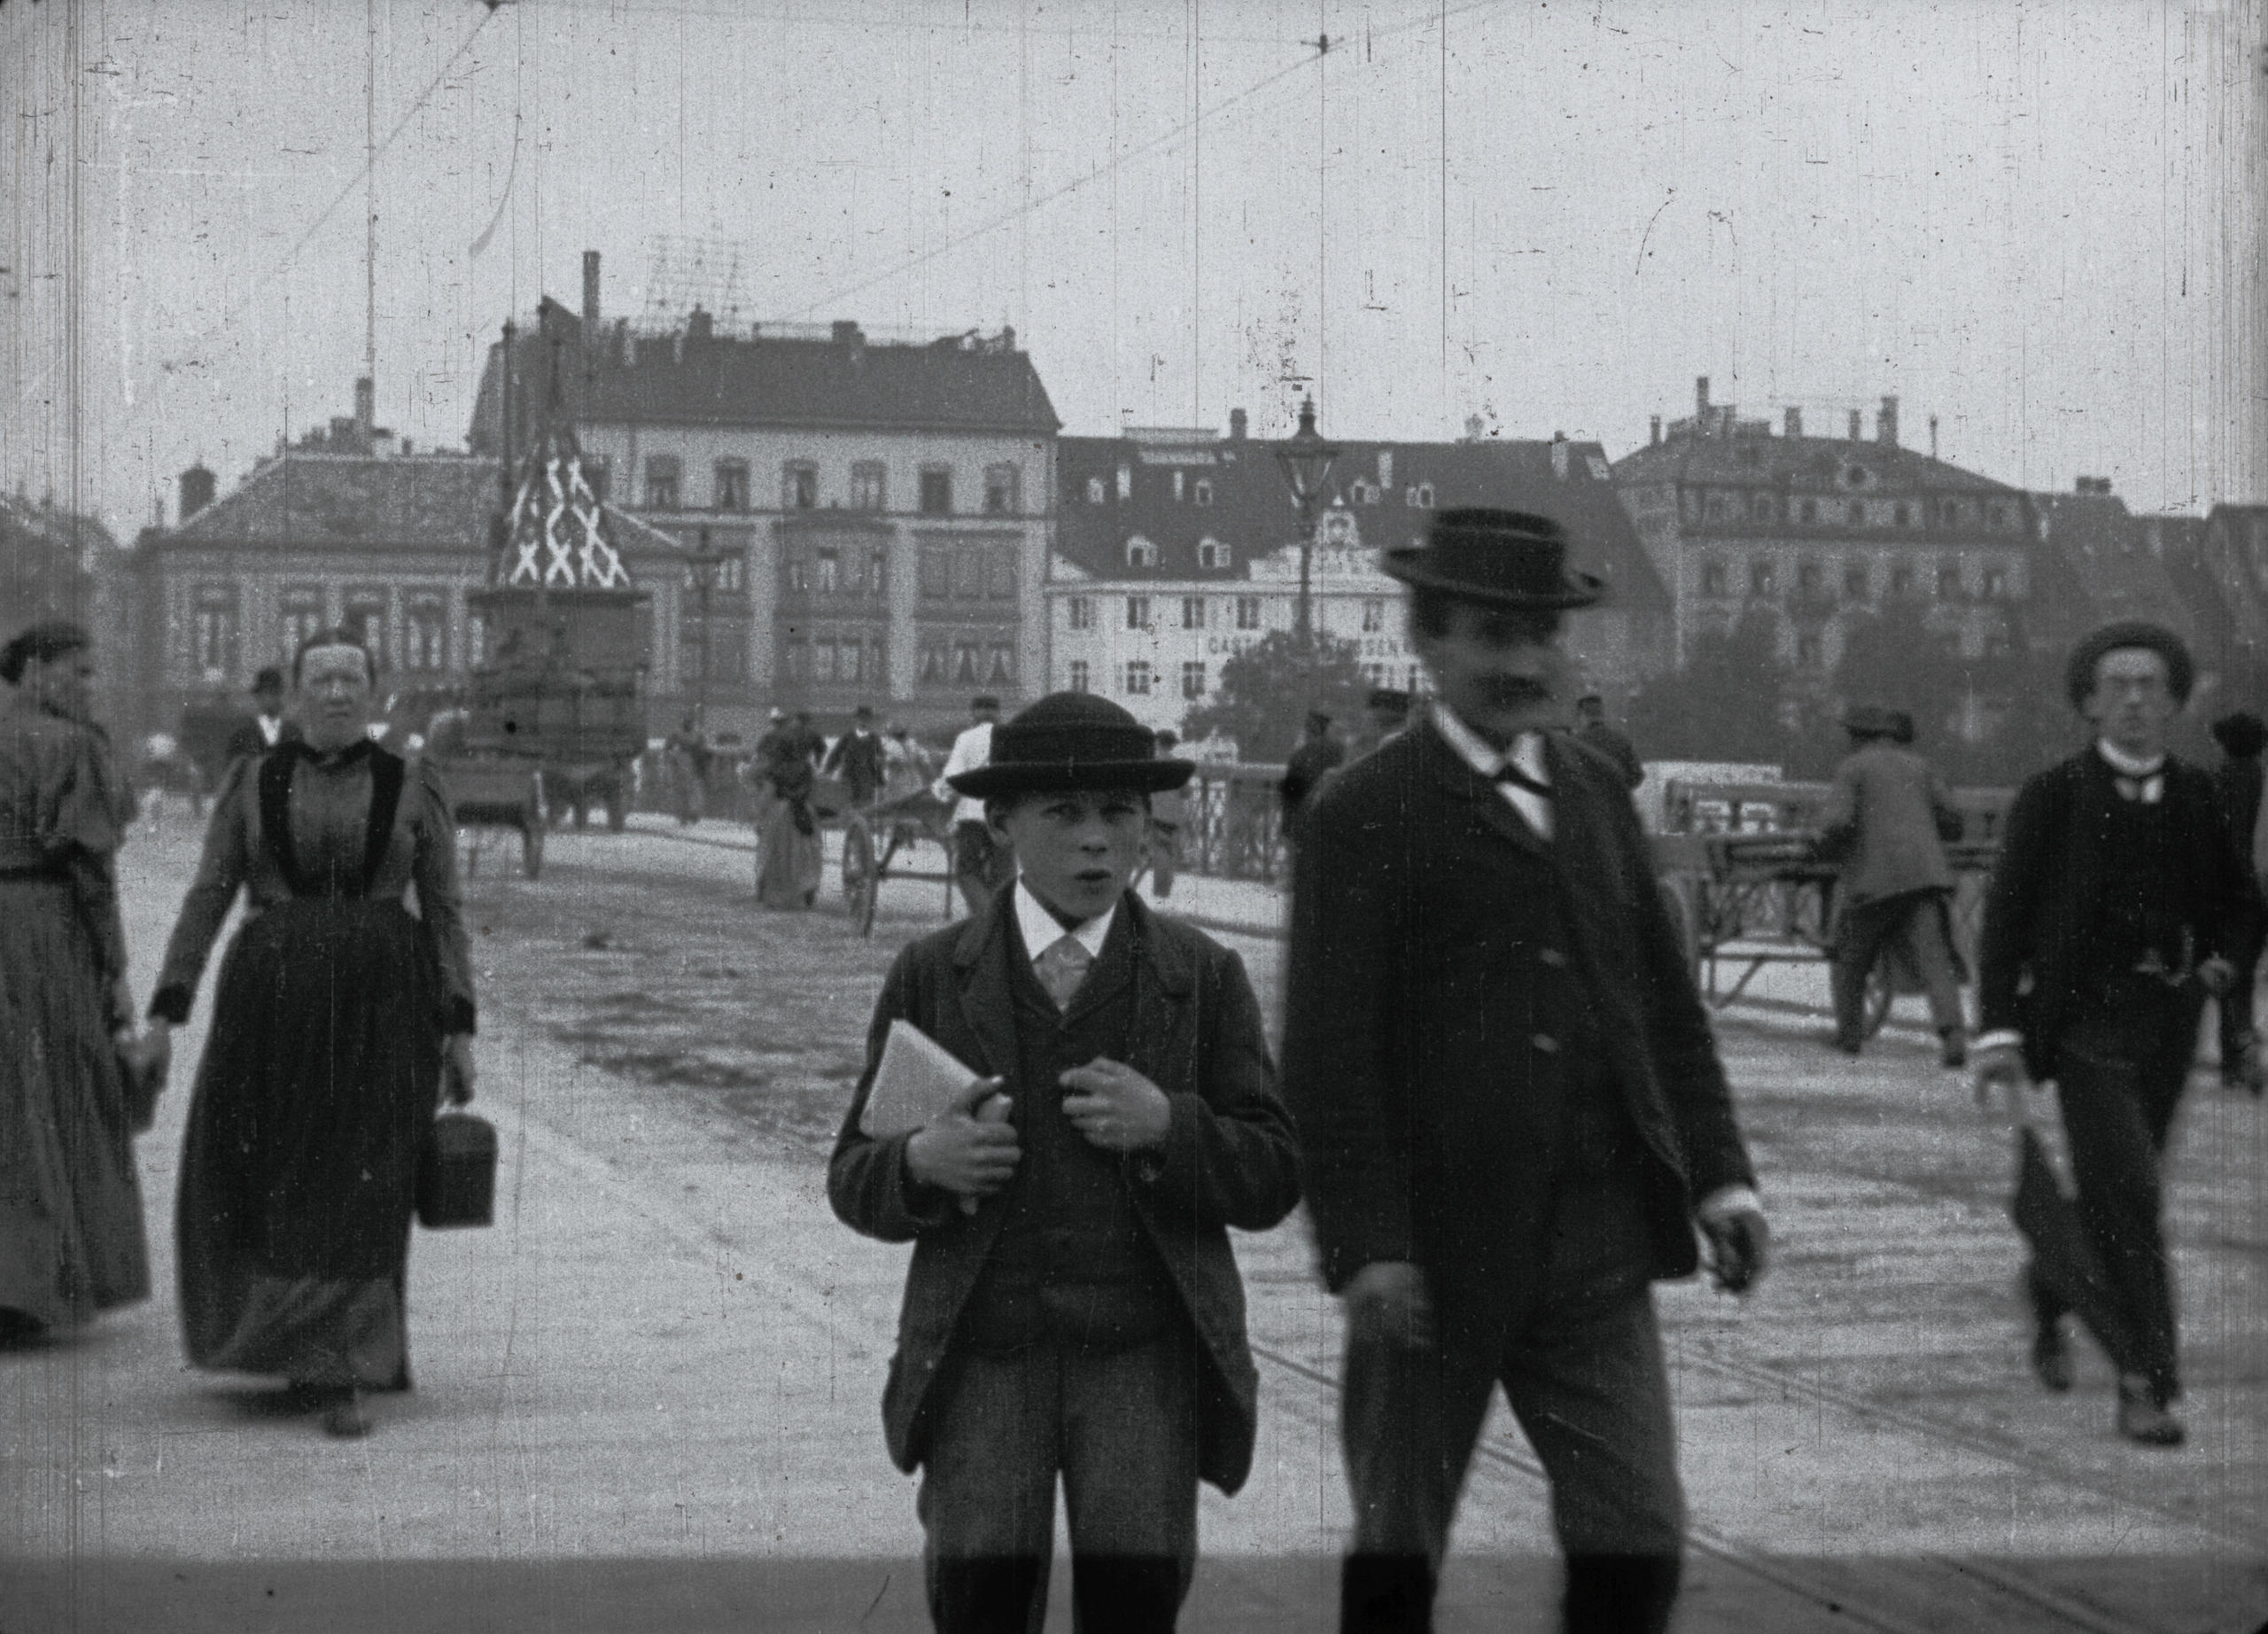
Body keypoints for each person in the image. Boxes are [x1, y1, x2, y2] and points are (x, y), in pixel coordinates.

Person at [1281, 508, 1769, 1634]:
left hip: (1595, 1247)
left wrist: (1721, 1179)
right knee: (1401, 1548)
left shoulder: (1595, 792)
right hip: (1429, 1263)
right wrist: (1366, 1247)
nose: (1527, 663)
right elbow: (1326, 1057)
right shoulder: (1362, 813)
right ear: (1429, 644)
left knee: (1637, 1530)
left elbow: (1662, 1010)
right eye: (1497, 637)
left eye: (1545, 636)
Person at [829, 692, 1301, 1633]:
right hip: (982, 1356)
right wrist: (923, 1160)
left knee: (1134, 1598)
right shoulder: (933, 973)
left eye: (1119, 815)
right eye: (1063, 815)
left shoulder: (1200, 976)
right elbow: (853, 1176)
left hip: (1140, 1358)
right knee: (980, 1598)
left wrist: (1172, 1123)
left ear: (1146, 825)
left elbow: (1273, 1171)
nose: (1095, 842)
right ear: (999, 824)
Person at [145, 628, 478, 1439]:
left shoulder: (411, 780)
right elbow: (208, 894)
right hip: (271, 1000)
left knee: (367, 1172)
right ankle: (291, 1345)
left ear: (375, 692)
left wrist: (460, 1025)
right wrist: (167, 1006)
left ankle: (345, 1367)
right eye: (321, 678)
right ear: (295, 694)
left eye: (352, 678)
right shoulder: (253, 781)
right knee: (275, 1169)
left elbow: (443, 910)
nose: (336, 692)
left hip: (384, 998)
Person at [1973, 620, 2253, 1449]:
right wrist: (1997, 1031)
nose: (2134, 700)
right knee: (2132, 1195)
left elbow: (2241, 907)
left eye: (2150, 687)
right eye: (2117, 686)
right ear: (2090, 704)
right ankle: (2147, 1380)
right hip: (2083, 1024)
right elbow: (2005, 919)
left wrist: (2221, 971)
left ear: (2173, 702)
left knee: (2115, 1193)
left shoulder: (2203, 797)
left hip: (2169, 1020)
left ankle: (2051, 1283)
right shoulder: (2052, 796)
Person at [0, 621, 152, 1345]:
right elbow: (92, 872)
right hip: (39, 923)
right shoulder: (68, 745)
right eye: (79, 671)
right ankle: (32, 1284)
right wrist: (116, 969)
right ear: (36, 669)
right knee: (52, 1090)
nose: (90, 686)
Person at [1819, 704, 1969, 1066]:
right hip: (1925, 877)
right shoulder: (1922, 767)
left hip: (1873, 882)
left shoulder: (1852, 769)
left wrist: (1825, 846)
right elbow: (1953, 823)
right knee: (1935, 963)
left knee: (1850, 959)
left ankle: (1850, 1036)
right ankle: (1953, 1037)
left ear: (1859, 737)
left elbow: (1838, 823)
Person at [2209, 710, 2265, 1093]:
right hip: (2261, 888)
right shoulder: (2262, 778)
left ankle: (2238, 1057)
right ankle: (2242, 1052)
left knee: (2232, 978)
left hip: (2233, 894)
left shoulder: (2220, 781)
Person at [935, 695, 1011, 918]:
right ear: (998, 713)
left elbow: (953, 775)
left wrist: (941, 793)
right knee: (1004, 873)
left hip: (973, 813)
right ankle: (996, 917)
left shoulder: (966, 738)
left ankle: (985, 917)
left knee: (967, 870)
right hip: (1004, 816)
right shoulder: (1011, 739)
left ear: (974, 713)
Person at [756, 720, 825, 911]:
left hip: (779, 814)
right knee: (806, 854)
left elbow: (767, 795)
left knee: (775, 854)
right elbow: (813, 792)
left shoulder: (774, 770)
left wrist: (760, 817)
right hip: (804, 811)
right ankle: (806, 888)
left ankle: (776, 893)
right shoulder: (806, 768)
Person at [1277, 710, 1343, 836]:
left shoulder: (1300, 755)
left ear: (1308, 729)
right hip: (1334, 822)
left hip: (1307, 822)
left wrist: (1287, 830)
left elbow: (1291, 797)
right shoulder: (1341, 751)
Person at [1573, 692, 1644, 791]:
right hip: (1618, 803)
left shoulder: (1575, 743)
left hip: (1589, 803)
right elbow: (1637, 775)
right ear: (1602, 714)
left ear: (1582, 715)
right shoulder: (1621, 740)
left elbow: (1569, 778)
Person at [224, 667, 296, 766]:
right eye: (267, 693)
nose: (272, 699)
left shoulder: (293, 732)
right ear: (258, 697)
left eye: (276, 693)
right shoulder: (243, 734)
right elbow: (232, 772)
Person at [1146, 729, 1187, 899]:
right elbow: (1187, 792)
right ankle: (1165, 891)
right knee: (1169, 853)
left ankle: (1159, 892)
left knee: (1159, 851)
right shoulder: (1178, 765)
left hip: (1155, 813)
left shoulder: (1149, 763)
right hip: (1174, 816)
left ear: (1157, 742)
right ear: (1172, 745)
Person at [823, 704, 888, 807]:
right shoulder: (848, 737)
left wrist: (880, 782)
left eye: (866, 719)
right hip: (849, 778)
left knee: (865, 808)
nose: (863, 722)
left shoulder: (875, 739)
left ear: (870, 721)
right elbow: (835, 755)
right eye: (861, 719)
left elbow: (879, 761)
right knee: (847, 806)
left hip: (867, 780)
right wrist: (827, 771)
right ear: (856, 720)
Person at [882, 720, 934, 804]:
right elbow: (925, 758)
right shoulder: (890, 744)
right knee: (902, 798)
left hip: (905, 777)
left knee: (906, 799)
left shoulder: (908, 743)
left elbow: (923, 755)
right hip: (902, 776)